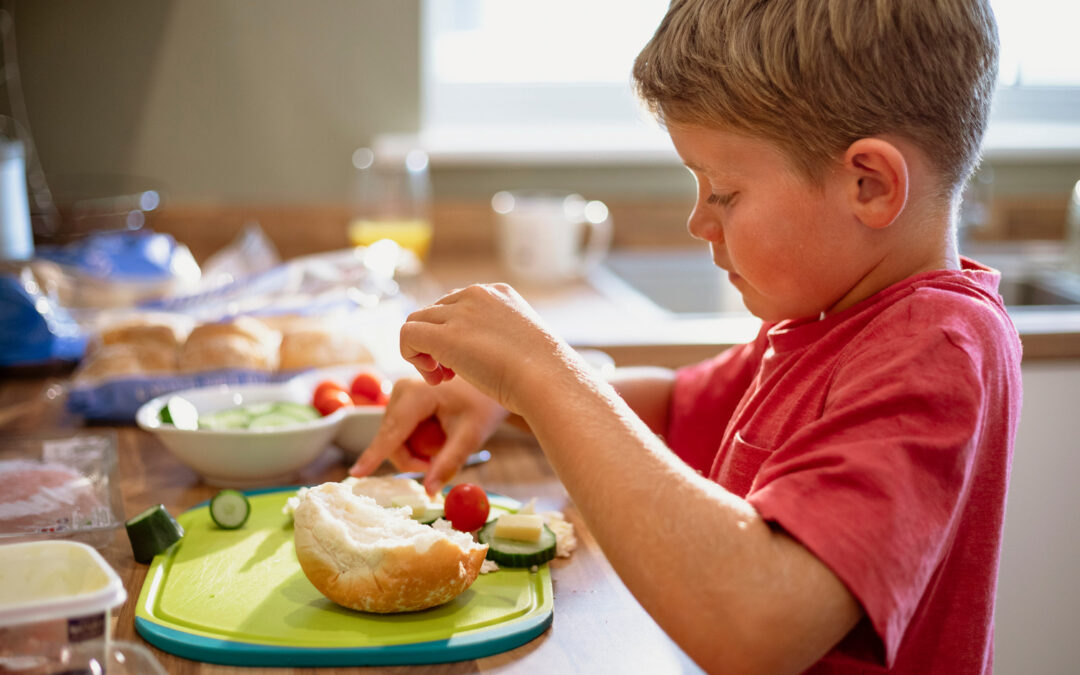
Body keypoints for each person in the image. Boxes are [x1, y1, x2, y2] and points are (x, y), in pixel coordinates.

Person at [350, 0, 1020, 672]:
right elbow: (674, 408)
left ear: (869, 184)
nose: (699, 220)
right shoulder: (829, 321)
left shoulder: (933, 347)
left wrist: (542, 372)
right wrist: (504, 400)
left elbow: (758, 623)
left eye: (723, 191)